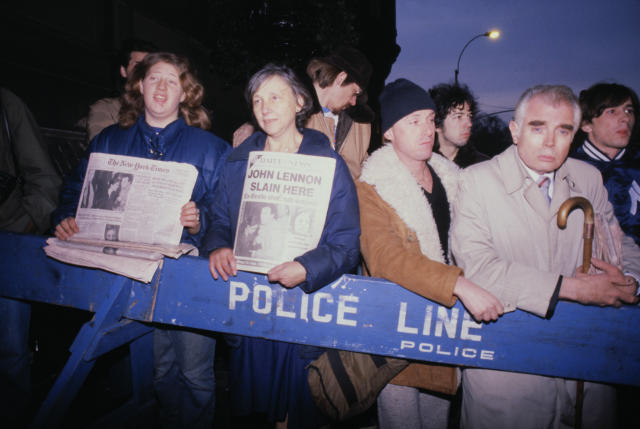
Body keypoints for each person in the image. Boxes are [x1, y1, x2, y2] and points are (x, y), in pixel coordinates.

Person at [52, 52, 230, 428]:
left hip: (189, 276)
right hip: (128, 275)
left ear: (185, 93)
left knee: (195, 374)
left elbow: (228, 213)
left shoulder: (211, 149)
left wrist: (201, 220)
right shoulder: (109, 141)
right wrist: (66, 216)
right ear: (139, 87)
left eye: (172, 80)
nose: (162, 87)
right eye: (154, 79)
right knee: (159, 371)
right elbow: (74, 188)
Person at [451, 84, 640, 429]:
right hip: (509, 370)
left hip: (585, 367)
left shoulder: (588, 178)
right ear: (515, 130)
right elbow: (478, 270)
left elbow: (619, 242)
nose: (550, 142)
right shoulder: (476, 181)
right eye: (538, 128)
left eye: (563, 130)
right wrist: (576, 289)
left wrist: (631, 281)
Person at [205, 63, 360, 429]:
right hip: (251, 305)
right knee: (254, 408)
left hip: (304, 305)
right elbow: (218, 221)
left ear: (299, 102)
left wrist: (308, 267)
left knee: (296, 409)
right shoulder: (237, 161)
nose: (265, 107)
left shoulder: (328, 165)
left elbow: (346, 242)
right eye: (257, 100)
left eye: (276, 96)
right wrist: (217, 246)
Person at [356, 78, 504, 429]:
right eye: (413, 121)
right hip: (397, 335)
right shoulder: (372, 187)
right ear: (389, 132)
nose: (426, 130)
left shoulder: (453, 179)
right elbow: (387, 259)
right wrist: (460, 286)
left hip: (446, 330)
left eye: (428, 118)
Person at [0, 87, 62, 425]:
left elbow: (43, 177)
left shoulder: (7, 106)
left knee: (9, 350)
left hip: (6, 244)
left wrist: (25, 222)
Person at [233, 46, 373, 178]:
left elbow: (365, 175)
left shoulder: (361, 126)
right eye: (355, 92)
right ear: (340, 78)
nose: (354, 102)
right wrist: (253, 125)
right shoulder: (289, 113)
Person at [571, 82, 640, 245]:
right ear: (586, 124)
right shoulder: (567, 170)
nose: (625, 118)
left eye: (629, 110)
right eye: (612, 111)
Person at [86, 38, 157, 141]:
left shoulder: (167, 110)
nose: (144, 71)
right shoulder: (106, 109)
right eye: (138, 66)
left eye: (150, 67)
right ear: (123, 71)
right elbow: (102, 149)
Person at [429, 83, 488, 167]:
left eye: (469, 116)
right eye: (459, 116)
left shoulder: (482, 166)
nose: (469, 124)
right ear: (437, 124)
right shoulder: (422, 167)